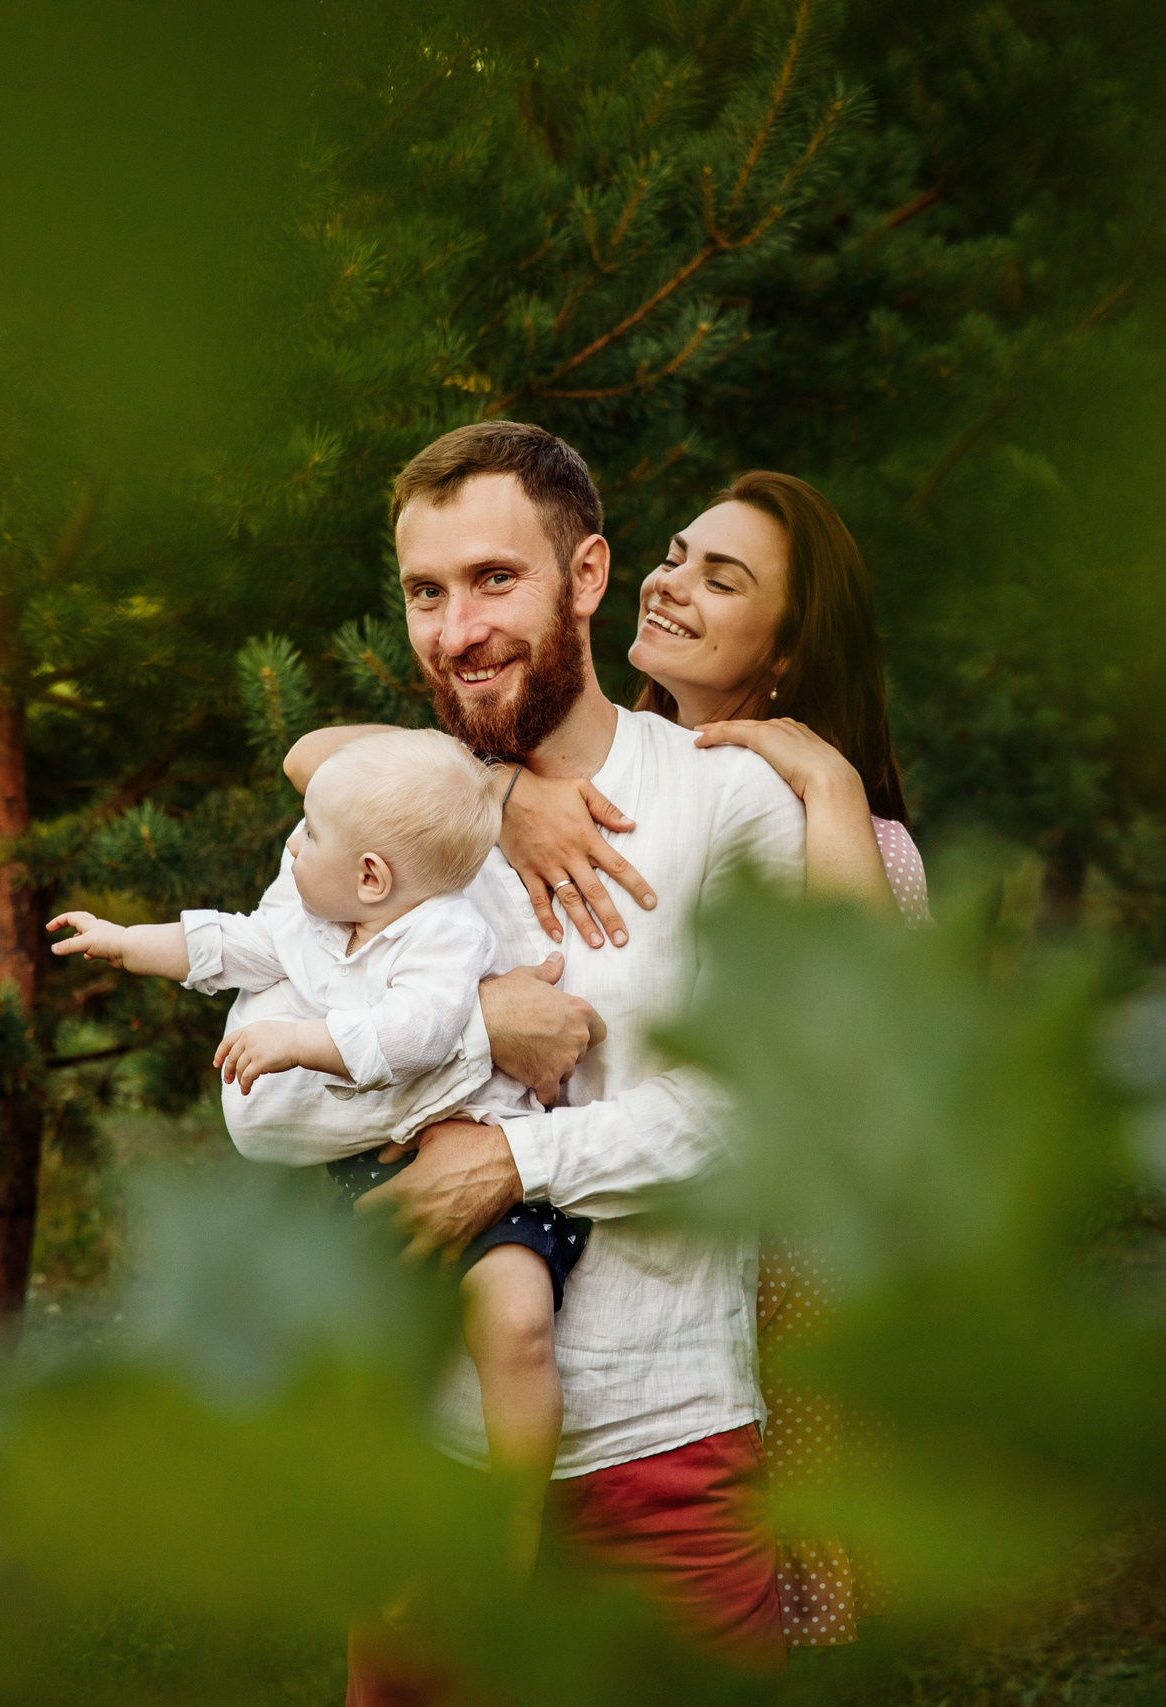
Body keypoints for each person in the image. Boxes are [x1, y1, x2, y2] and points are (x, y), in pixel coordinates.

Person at [291, 469, 928, 1652]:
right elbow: (314, 754)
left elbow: (845, 1049)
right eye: (675, 555)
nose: (671, 584)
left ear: (788, 650)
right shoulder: (526, 782)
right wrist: (501, 792)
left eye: (721, 579)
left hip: (757, 1301)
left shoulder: (817, 820)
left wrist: (829, 782)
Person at [222, 420, 808, 1697]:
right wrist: (480, 1029)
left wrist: (507, 1161)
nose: (458, 630)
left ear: (586, 576)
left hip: (666, 1459)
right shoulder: (377, 812)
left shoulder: (725, 803)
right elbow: (258, 1109)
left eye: (495, 579)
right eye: (426, 593)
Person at [41, 727, 584, 1571]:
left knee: (515, 1324)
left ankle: (517, 1519)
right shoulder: (315, 921)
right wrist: (125, 940)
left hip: (486, 1156)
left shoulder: (444, 933)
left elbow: (416, 1032)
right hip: (380, 1163)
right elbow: (225, 943)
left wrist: (298, 1040)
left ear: (371, 876)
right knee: (365, 1353)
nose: (291, 845)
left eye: (310, 833)